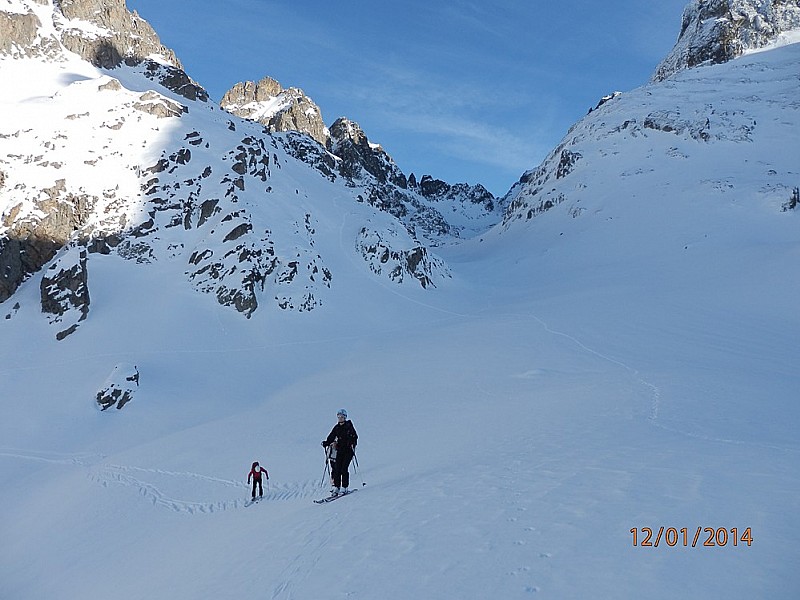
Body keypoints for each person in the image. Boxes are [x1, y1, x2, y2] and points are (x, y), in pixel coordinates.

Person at [321, 408, 357, 496]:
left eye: (342, 417)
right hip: (340, 450)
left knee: (344, 469)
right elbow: (331, 436)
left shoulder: (349, 426)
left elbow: (355, 437)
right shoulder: (337, 428)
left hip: (348, 451)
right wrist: (326, 442)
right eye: (339, 417)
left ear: (345, 417)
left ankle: (344, 487)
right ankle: (336, 487)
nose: (340, 418)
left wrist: (352, 443)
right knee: (337, 469)